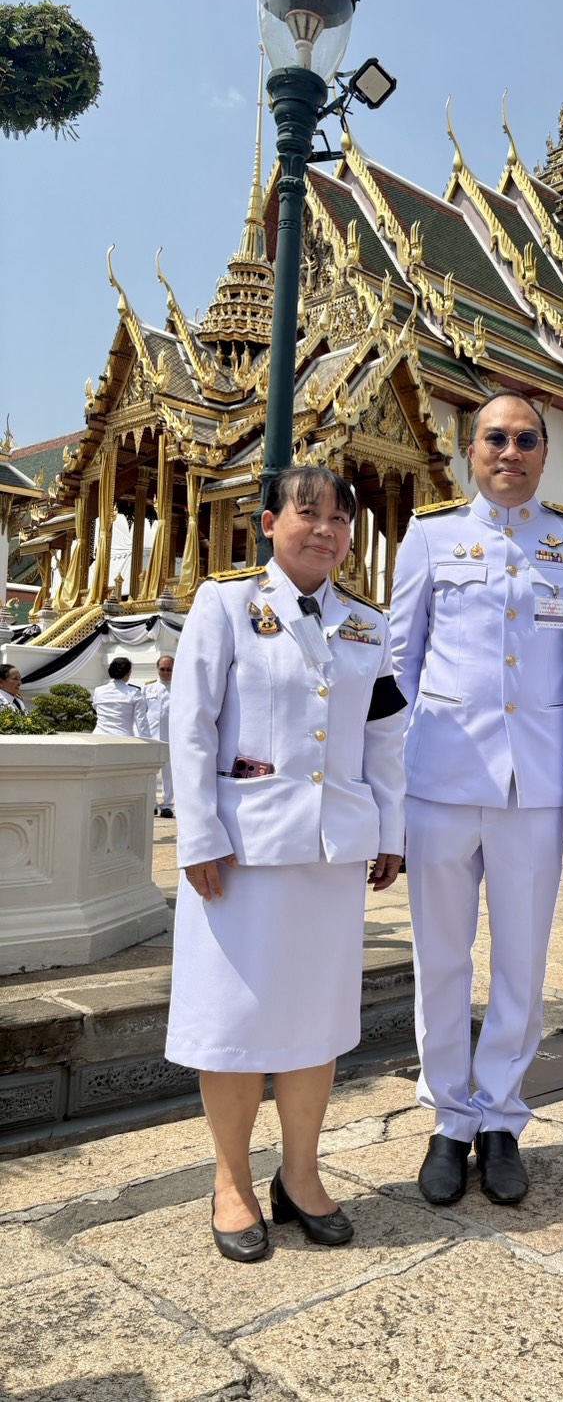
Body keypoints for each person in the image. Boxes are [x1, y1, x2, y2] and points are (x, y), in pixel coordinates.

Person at [165, 466, 406, 1262]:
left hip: (332, 851)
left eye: (340, 519)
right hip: (241, 853)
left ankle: (300, 1173)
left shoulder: (368, 625)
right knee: (234, 1024)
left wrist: (390, 829)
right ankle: (230, 1178)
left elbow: (385, 741)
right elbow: (192, 724)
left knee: (315, 1022)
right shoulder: (226, 604)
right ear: (268, 522)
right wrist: (197, 832)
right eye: (309, 515)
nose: (327, 530)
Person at [389, 392, 563, 1208]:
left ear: (545, 454)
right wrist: (389, 793)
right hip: (441, 779)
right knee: (441, 959)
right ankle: (450, 1117)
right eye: (494, 438)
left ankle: (503, 1116)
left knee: (521, 960)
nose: (509, 451)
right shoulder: (433, 535)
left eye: (525, 439)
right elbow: (399, 668)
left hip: (535, 787)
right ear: (466, 449)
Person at [142, 655, 175, 817]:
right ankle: (152, 802)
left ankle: (167, 804)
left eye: (169, 669)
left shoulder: (179, 690)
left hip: (172, 737)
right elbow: (141, 714)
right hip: (152, 736)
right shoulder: (147, 689)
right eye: (162, 669)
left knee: (169, 773)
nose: (165, 672)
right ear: (157, 669)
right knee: (151, 771)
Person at [92, 657, 148, 737]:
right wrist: (149, 743)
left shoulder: (98, 691)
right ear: (128, 673)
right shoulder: (134, 692)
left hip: (99, 736)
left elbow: (95, 709)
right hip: (122, 738)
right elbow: (141, 722)